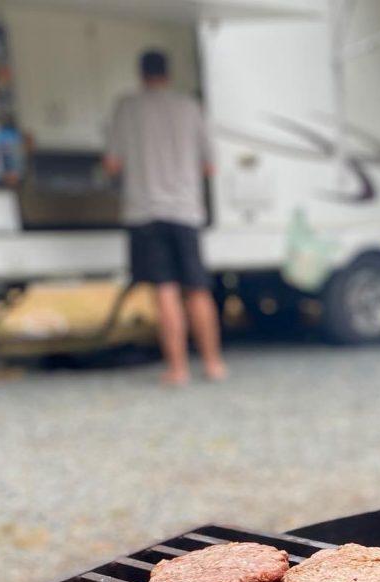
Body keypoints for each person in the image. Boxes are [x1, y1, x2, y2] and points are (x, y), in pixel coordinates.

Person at [104, 50, 226, 385]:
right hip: (186, 211)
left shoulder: (126, 108)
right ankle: (214, 364)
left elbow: (112, 164)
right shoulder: (190, 107)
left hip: (145, 212)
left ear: (140, 73)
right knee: (198, 289)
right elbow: (210, 166)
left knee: (165, 291)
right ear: (168, 73)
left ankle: (178, 369)